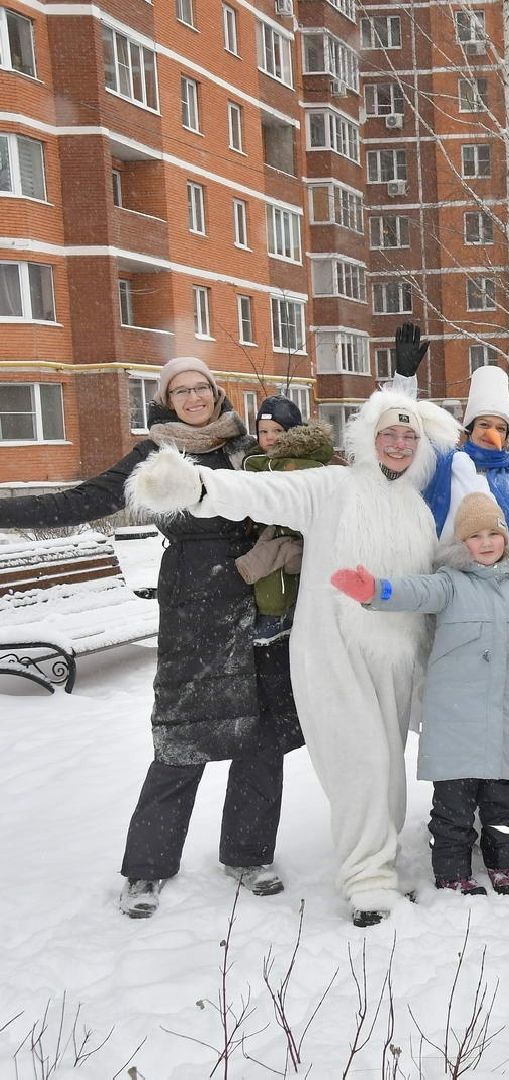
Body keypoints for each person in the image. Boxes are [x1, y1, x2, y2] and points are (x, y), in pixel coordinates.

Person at [129, 381, 463, 926]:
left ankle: (381, 861)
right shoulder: (332, 486)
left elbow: (432, 585)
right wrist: (194, 483)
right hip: (332, 651)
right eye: (388, 433)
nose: (399, 443)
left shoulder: (419, 510)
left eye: (409, 435)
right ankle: (367, 882)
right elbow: (262, 493)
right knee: (359, 766)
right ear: (368, 438)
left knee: (388, 770)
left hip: (396, 657)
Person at [0, 357, 302, 918]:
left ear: (217, 392)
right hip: (195, 606)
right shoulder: (155, 456)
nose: (193, 398)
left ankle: (248, 853)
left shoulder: (249, 447)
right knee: (182, 739)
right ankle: (146, 869)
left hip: (262, 603)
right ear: (166, 401)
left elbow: (316, 487)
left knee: (262, 737)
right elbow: (81, 502)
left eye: (201, 388)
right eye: (180, 390)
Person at [329, 493, 509, 896]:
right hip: (455, 718)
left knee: (504, 806)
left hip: (504, 717)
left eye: (494, 533)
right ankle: (452, 871)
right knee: (453, 810)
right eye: (476, 536)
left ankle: (503, 865)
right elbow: (413, 592)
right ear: (462, 544)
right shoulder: (449, 584)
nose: (487, 542)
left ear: (506, 538)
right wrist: (376, 591)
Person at [426, 364, 509, 568]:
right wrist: (405, 381)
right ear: (470, 429)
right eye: (484, 425)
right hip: (456, 586)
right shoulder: (446, 466)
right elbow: (405, 451)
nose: (492, 433)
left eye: (500, 428)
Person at [237, 396, 333, 646]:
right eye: (263, 431)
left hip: (295, 535)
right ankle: (275, 620)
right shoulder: (256, 460)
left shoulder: (300, 462)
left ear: (293, 433)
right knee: (271, 574)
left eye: (277, 430)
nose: (269, 437)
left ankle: (275, 621)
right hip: (268, 533)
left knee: (278, 581)